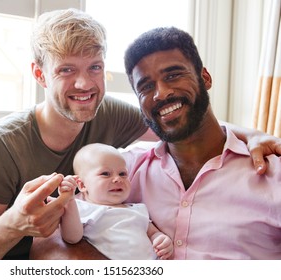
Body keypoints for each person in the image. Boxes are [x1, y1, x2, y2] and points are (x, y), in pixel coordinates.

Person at [0, 8, 281, 260]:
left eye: (94, 67)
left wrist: (250, 135)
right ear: (40, 74)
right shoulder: (4, 143)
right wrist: (16, 224)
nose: (84, 84)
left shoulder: (111, 113)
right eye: (66, 70)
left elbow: (181, 123)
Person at [120, 26, 281, 259]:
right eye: (146, 86)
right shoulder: (123, 171)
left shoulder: (273, 173)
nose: (161, 93)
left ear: (205, 78)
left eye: (173, 75)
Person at [58, 143, 173, 260]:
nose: (117, 179)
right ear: (82, 184)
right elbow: (72, 237)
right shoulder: (81, 208)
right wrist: (69, 200)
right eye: (105, 174)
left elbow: (153, 233)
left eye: (122, 174)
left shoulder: (137, 209)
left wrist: (161, 239)